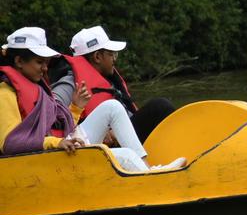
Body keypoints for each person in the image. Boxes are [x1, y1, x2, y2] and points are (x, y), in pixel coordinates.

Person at [0, 28, 183, 171]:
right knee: (126, 155)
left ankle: (149, 169)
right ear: (19, 61)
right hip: (48, 158)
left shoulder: (36, 86)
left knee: (112, 106)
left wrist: (75, 109)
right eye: (39, 62)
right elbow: (10, 143)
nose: (45, 69)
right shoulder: (5, 94)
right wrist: (55, 143)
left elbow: (56, 128)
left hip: (62, 147)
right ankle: (152, 177)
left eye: (46, 63)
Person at [48, 26, 176, 143]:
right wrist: (99, 130)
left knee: (161, 111)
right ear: (97, 57)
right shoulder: (70, 84)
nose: (114, 58)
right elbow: (49, 116)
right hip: (101, 146)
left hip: (123, 137)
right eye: (111, 54)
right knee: (160, 107)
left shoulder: (109, 81)